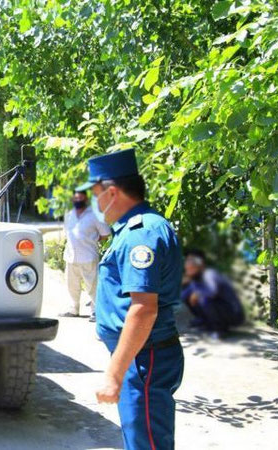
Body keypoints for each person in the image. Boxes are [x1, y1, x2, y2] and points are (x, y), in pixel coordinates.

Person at [78, 149, 184, 450]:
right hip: (141, 356)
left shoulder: (140, 234)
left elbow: (143, 309)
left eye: (97, 195)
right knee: (142, 439)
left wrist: (114, 373)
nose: (96, 203)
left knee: (147, 444)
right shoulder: (135, 228)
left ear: (112, 192)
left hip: (144, 359)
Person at [61, 188, 111, 320]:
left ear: (86, 199)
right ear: (73, 200)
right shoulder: (69, 214)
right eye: (76, 198)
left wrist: (91, 240)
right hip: (71, 256)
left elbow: (105, 233)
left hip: (88, 256)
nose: (78, 201)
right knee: (72, 286)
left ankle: (95, 312)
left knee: (92, 287)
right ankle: (73, 309)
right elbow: (67, 231)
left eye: (81, 198)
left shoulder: (95, 215)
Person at [182, 249, 245, 339]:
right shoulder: (195, 279)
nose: (187, 264)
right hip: (221, 308)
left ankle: (219, 329)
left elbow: (212, 291)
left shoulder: (209, 274)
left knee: (203, 298)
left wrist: (197, 294)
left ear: (200, 264)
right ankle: (205, 322)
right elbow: (184, 296)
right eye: (187, 261)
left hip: (233, 313)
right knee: (189, 295)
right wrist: (184, 283)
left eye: (191, 261)